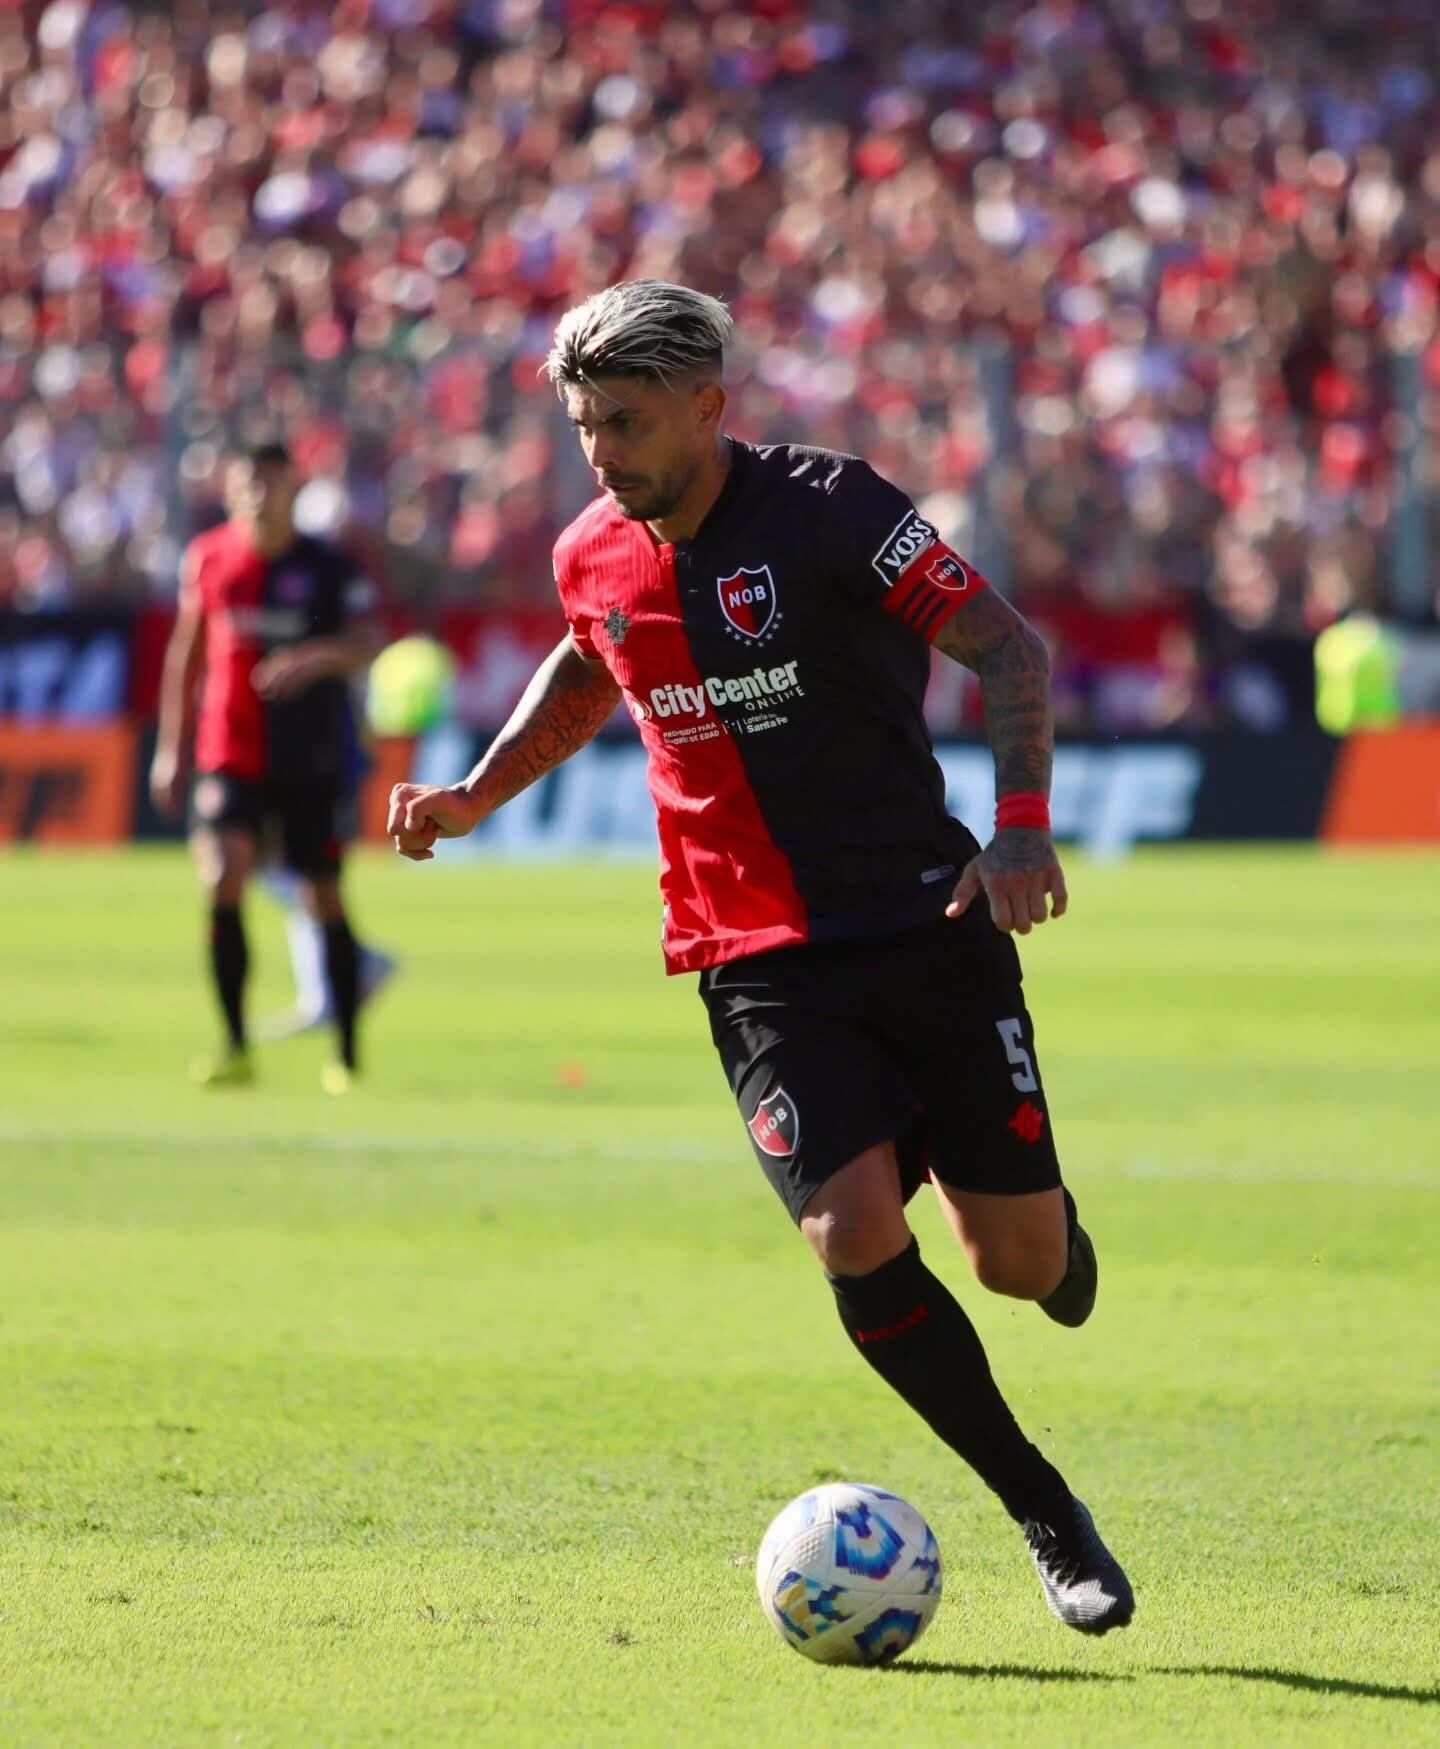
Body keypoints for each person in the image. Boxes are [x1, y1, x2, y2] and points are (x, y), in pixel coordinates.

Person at [387, 281, 1134, 1633]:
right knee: (850, 1235)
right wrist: (470, 798)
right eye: (581, 426)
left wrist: (1022, 827)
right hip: (755, 957)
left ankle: (1048, 1232)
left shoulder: (833, 507)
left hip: (925, 921)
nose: (603, 452)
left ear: (709, 409)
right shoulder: (591, 553)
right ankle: (1042, 1507)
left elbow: (1007, 647)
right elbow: (590, 663)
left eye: (627, 421)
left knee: (1019, 1266)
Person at [150, 440, 383, 1093]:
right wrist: (172, 750)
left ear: (292, 490)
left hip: (308, 753)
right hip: (228, 750)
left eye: (272, 483)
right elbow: (185, 656)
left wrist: (314, 658)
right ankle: (234, 1044)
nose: (260, 494)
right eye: (249, 483)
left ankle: (346, 1050)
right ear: (232, 490)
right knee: (223, 875)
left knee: (322, 895)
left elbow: (369, 642)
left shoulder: (331, 566)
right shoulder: (209, 559)